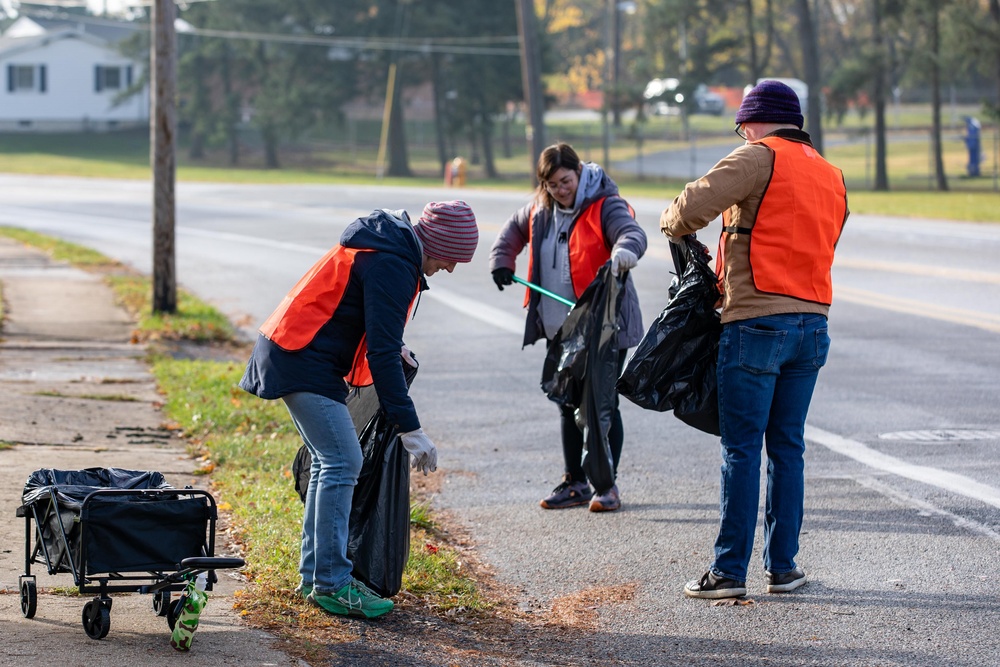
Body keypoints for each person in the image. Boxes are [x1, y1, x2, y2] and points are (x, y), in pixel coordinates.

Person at [239, 201, 479, 618]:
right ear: (437, 243)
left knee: (329, 461)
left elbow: (369, 324)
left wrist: (391, 347)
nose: (451, 269)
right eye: (452, 258)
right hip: (301, 357)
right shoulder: (393, 263)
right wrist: (411, 429)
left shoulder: (386, 248)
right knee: (342, 460)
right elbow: (383, 354)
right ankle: (331, 583)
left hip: (295, 350)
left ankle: (316, 577)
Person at [660, 80, 848, 599]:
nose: (741, 133)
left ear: (757, 121)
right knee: (787, 447)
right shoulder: (832, 175)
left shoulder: (757, 157)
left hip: (756, 320)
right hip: (813, 323)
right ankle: (783, 567)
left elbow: (686, 210)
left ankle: (728, 571)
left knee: (741, 448)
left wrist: (674, 222)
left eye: (742, 125)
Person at [489, 142, 647, 513]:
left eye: (565, 181)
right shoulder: (541, 209)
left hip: (603, 327)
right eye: (552, 184)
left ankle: (606, 487)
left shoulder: (604, 203)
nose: (560, 190)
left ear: (579, 172)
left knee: (599, 406)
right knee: (566, 402)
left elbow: (631, 232)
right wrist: (502, 259)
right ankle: (574, 482)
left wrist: (625, 252)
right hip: (561, 328)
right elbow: (512, 231)